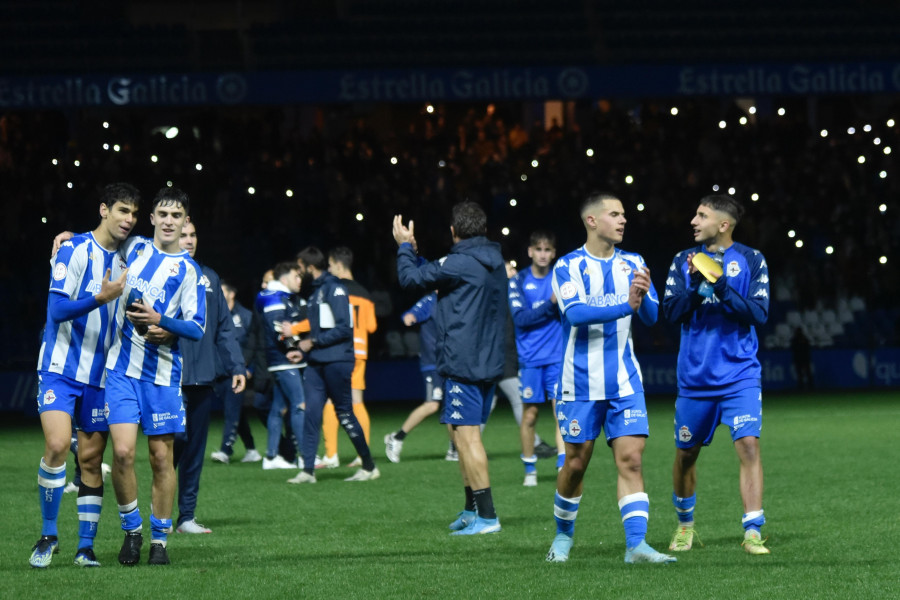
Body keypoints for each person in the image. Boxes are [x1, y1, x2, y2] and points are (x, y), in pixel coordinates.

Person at [546, 193, 675, 564]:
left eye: (624, 215)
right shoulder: (568, 266)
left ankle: (636, 546)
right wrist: (626, 305)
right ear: (591, 221)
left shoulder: (634, 262)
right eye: (614, 214)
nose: (623, 220)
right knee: (574, 464)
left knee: (632, 460)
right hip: (579, 381)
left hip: (624, 380)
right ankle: (563, 535)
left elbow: (650, 317)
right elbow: (575, 314)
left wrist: (645, 294)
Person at [31, 183, 139, 568]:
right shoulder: (74, 250)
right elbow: (56, 311)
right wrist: (101, 297)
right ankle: (48, 535)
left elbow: (162, 245)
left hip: (100, 375)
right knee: (59, 444)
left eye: (133, 213)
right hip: (60, 368)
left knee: (92, 461)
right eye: (122, 210)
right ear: (104, 209)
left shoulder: (130, 256)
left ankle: (85, 547)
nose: (128, 219)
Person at [662, 194, 771, 555]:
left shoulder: (752, 260)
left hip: (740, 373)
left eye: (702, 215)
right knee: (686, 454)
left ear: (723, 225)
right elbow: (671, 313)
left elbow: (757, 314)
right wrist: (697, 287)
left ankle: (753, 530)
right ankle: (684, 525)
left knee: (749, 446)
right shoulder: (682, 261)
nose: (693, 220)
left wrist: (720, 284)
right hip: (695, 379)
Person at [104, 186, 206, 566]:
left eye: (176, 216)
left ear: (185, 222)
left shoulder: (189, 271)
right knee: (124, 452)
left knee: (162, 459)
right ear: (152, 219)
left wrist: (163, 322)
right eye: (162, 214)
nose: (168, 221)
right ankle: (132, 532)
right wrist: (67, 240)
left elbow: (197, 328)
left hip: (162, 376)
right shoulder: (136, 249)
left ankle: (159, 540)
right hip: (121, 369)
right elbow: (101, 241)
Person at [393, 201, 507, 535]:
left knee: (468, 438)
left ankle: (487, 517)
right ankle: (472, 510)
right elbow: (444, 273)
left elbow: (410, 281)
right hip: (487, 359)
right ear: (484, 231)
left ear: (454, 232)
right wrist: (416, 253)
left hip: (463, 361)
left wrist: (403, 247)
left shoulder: (459, 262)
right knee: (459, 436)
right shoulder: (492, 261)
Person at [172, 220, 246, 534]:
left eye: (192, 234)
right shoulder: (156, 274)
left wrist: (237, 366)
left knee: (194, 450)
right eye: (182, 235)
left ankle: (186, 516)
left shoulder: (210, 279)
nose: (188, 240)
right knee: (170, 445)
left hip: (203, 377)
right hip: (169, 377)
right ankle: (158, 509)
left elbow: (224, 330)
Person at [292, 246, 379, 483]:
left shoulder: (335, 289)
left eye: (300, 268)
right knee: (311, 413)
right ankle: (307, 470)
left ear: (311, 267)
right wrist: (305, 350)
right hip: (317, 362)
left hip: (338, 360)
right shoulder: (316, 292)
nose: (298, 273)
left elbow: (344, 328)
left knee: (344, 412)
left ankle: (369, 466)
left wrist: (314, 342)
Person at [508, 231, 566, 486]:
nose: (543, 254)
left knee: (561, 413)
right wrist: (550, 305)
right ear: (530, 251)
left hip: (557, 356)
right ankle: (530, 469)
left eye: (548, 250)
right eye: (538, 249)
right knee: (530, 415)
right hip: (530, 358)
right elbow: (521, 319)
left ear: (553, 254)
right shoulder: (518, 280)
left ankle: (563, 466)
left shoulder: (561, 278)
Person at [317, 246, 378, 469]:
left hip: (339, 351)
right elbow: (372, 326)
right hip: (360, 352)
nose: (329, 269)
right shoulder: (365, 292)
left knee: (330, 401)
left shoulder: (334, 289)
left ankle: (331, 455)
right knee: (357, 402)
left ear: (338, 265)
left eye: (331, 265)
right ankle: (363, 455)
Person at [255, 262, 307, 471]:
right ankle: (306, 456)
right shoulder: (274, 298)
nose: (299, 280)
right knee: (299, 405)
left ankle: (271, 457)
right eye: (296, 276)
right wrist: (294, 348)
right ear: (284, 279)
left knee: (277, 409)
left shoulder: (282, 297)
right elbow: (279, 330)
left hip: (282, 361)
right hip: (285, 361)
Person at [383, 292, 447, 462]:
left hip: (450, 363)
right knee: (432, 405)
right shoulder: (429, 301)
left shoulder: (454, 299)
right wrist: (410, 316)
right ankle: (396, 438)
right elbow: (410, 314)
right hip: (432, 363)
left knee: (453, 405)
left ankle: (455, 448)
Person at [211, 279, 261, 463]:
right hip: (220, 374)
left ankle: (226, 450)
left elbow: (254, 345)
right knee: (236, 412)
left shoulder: (246, 316)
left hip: (237, 374)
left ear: (232, 294)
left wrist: (250, 369)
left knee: (232, 412)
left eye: (222, 292)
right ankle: (252, 450)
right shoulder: (216, 316)